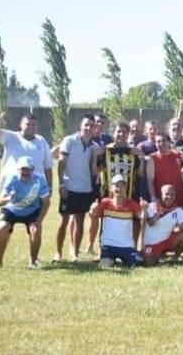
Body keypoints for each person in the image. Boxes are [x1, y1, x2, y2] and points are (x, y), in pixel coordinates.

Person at [93, 121, 145, 253]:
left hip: (129, 193)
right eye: (118, 131)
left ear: (128, 134)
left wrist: (142, 157)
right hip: (109, 194)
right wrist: (95, 156)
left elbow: (140, 173)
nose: (121, 134)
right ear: (113, 133)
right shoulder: (105, 151)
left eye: (124, 132)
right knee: (106, 221)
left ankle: (131, 246)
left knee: (133, 221)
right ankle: (102, 248)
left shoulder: (133, 152)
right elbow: (95, 172)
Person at [0, 156, 51, 268]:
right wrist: (9, 198)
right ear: (18, 169)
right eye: (22, 170)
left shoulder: (39, 180)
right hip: (11, 210)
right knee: (2, 228)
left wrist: (39, 220)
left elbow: (46, 202)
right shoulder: (12, 179)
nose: (25, 172)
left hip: (32, 210)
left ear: (32, 170)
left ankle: (33, 261)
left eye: (27, 170)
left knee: (36, 230)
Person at [55, 115, 98, 262]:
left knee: (80, 222)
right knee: (64, 221)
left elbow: (94, 170)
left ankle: (75, 253)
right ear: (80, 126)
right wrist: (61, 184)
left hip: (85, 189)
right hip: (69, 188)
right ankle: (58, 253)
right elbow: (61, 162)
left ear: (94, 129)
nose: (88, 128)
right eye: (86, 125)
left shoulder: (94, 147)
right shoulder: (69, 141)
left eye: (91, 126)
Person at [89, 174, 146, 268]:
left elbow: (142, 217)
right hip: (108, 245)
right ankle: (106, 257)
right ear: (111, 188)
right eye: (116, 185)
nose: (119, 189)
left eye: (122, 185)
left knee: (138, 264)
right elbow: (93, 216)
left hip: (126, 246)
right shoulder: (105, 203)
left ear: (126, 188)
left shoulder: (132, 204)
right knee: (105, 264)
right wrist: (92, 209)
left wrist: (144, 209)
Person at [0, 113, 53, 196]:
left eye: (33, 125)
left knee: (35, 209)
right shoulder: (11, 137)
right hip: (12, 189)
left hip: (34, 190)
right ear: (21, 125)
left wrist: (49, 187)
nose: (31, 127)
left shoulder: (41, 141)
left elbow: (48, 167)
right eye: (27, 124)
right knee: (11, 209)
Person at [142, 184, 183, 265]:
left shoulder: (178, 210)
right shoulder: (152, 206)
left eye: (172, 194)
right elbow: (150, 223)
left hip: (167, 241)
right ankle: (157, 254)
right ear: (161, 194)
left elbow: (182, 226)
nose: (169, 197)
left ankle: (175, 258)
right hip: (152, 242)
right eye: (167, 194)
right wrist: (156, 216)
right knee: (149, 263)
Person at [146, 133, 183, 207]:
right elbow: (150, 180)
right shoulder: (152, 158)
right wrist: (153, 197)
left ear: (169, 142)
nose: (161, 143)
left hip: (180, 198)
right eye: (158, 142)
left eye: (164, 141)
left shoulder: (178, 155)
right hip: (163, 201)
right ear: (155, 144)